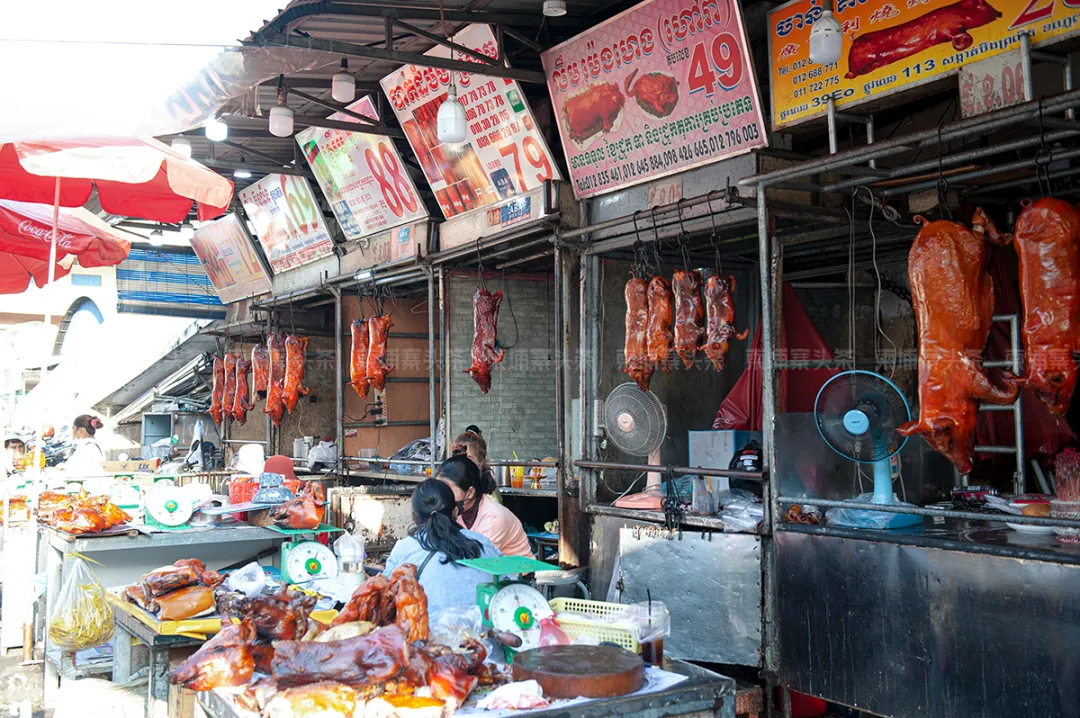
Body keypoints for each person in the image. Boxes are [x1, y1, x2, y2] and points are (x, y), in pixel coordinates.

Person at [383, 479, 501, 619]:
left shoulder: (406, 548)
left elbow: (385, 597)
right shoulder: (483, 543)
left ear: (414, 517)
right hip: (486, 637)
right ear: (456, 511)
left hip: (427, 638)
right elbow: (509, 582)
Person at [438, 455, 534, 559]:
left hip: (516, 573)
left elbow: (476, 559)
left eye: (448, 489)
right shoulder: (456, 511)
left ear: (470, 492)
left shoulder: (494, 518)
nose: (442, 494)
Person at [451, 430, 501, 504]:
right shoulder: (455, 487)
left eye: (468, 458)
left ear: (481, 462)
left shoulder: (490, 497)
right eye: (457, 458)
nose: (462, 462)